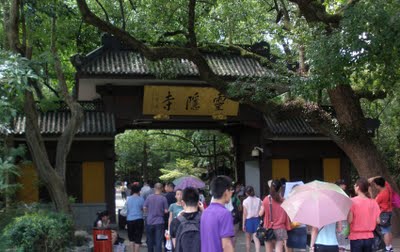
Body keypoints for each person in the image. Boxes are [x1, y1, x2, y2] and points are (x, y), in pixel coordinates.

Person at [201, 175, 235, 252]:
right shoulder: (225, 213)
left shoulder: (205, 212)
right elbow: (226, 245)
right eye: (231, 190)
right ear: (226, 192)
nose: (232, 193)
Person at [347, 178, 380, 252]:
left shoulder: (352, 201)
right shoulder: (373, 202)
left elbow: (350, 220)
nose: (354, 187)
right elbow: (378, 221)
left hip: (356, 237)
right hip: (369, 237)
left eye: (355, 186)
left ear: (358, 187)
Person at [259, 179, 291, 252]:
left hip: (268, 228)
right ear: (280, 189)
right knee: (279, 249)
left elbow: (260, 213)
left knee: (268, 250)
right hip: (280, 228)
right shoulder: (284, 201)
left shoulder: (266, 200)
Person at [170, 187, 202, 252]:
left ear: (182, 203)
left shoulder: (175, 222)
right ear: (198, 202)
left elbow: (175, 246)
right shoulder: (204, 220)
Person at [369, 176, 393, 252]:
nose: (375, 187)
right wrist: (373, 179)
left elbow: (373, 204)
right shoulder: (387, 187)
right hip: (389, 212)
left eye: (375, 185)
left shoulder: (381, 195)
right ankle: (390, 247)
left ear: (378, 185)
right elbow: (381, 177)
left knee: (385, 231)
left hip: (384, 214)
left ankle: (387, 248)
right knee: (388, 230)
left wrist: (370, 191)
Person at [144, 183, 169, 252]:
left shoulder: (149, 197)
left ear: (154, 188)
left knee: (150, 240)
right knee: (158, 241)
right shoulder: (163, 198)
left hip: (149, 221)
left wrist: (149, 211)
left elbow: (144, 207)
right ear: (162, 189)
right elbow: (166, 211)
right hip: (159, 221)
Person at [242, 185, 262, 252]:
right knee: (256, 239)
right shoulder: (259, 200)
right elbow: (261, 210)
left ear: (246, 193)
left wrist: (243, 224)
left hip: (248, 221)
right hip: (257, 220)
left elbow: (244, 214)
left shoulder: (245, 201)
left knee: (248, 240)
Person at [127, 184, 145, 252]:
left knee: (131, 239)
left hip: (129, 220)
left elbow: (127, 209)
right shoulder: (141, 199)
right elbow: (143, 209)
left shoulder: (128, 199)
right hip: (139, 219)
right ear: (139, 191)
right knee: (138, 238)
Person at [335, 179, 350, 252]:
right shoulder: (338, 195)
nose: (345, 185)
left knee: (342, 236)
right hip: (340, 218)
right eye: (343, 184)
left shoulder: (343, 194)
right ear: (339, 186)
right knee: (340, 237)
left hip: (344, 218)